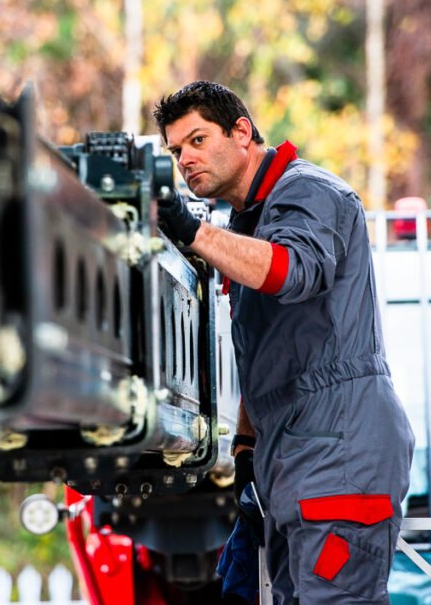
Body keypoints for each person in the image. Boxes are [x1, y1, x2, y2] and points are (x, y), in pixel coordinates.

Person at [152, 81, 414, 604]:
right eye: (176, 150)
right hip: (292, 458)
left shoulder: (310, 192)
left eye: (198, 141)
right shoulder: (250, 220)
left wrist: (192, 232)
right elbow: (270, 350)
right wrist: (247, 446)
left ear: (242, 132)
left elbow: (294, 271)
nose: (186, 160)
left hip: (340, 454)